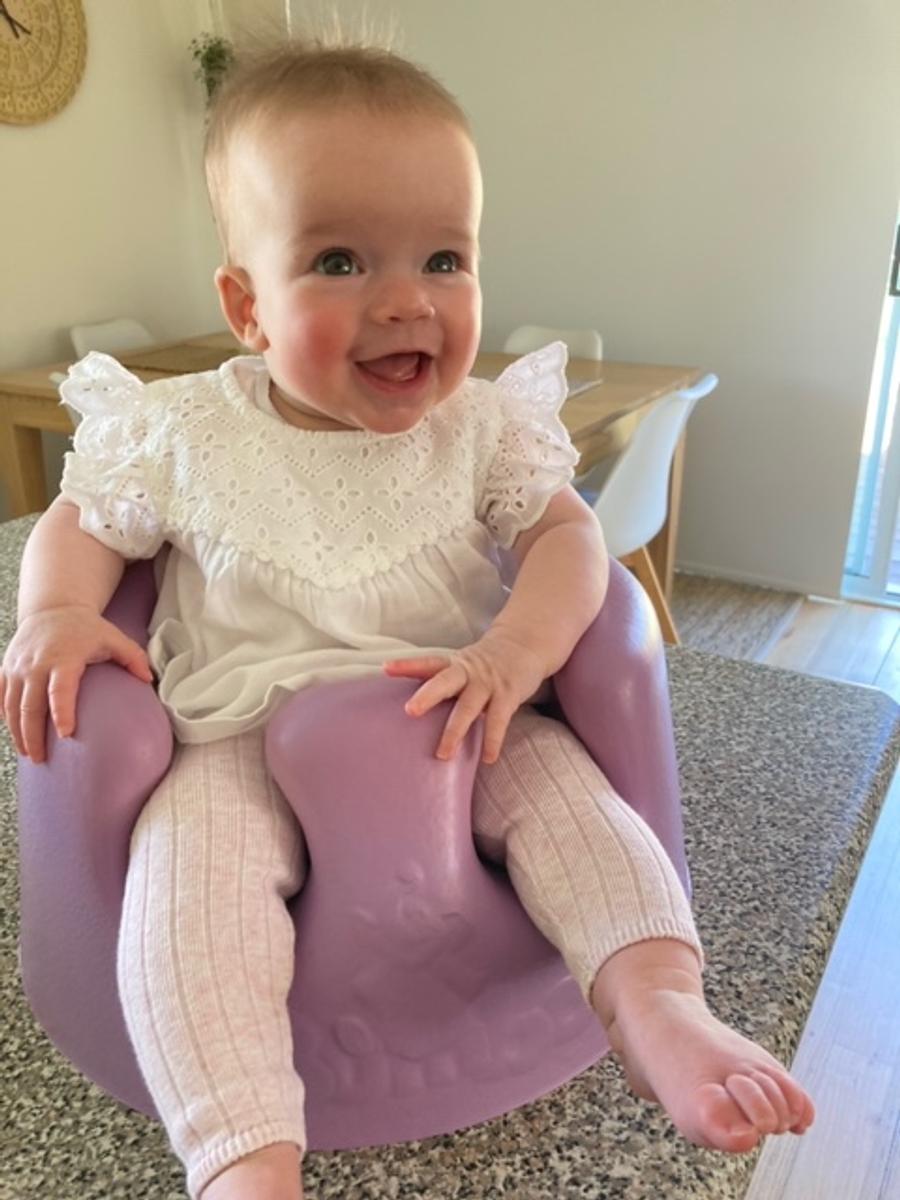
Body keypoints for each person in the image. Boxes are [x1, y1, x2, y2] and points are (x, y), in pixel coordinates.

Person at [0, 35, 814, 1200]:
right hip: (230, 740)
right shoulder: (180, 429)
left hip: (465, 710)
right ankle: (242, 1154)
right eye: (338, 260)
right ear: (247, 307)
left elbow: (571, 541)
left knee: (579, 813)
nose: (405, 300)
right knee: (188, 898)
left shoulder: (482, 428)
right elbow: (82, 523)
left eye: (445, 258)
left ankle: (658, 1004)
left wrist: (514, 654)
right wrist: (57, 612)